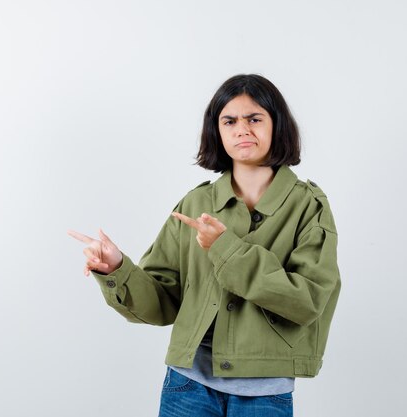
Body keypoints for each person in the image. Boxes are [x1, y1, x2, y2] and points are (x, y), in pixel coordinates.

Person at [67, 74, 341, 417]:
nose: (242, 129)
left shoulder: (308, 206)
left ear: (278, 125)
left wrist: (226, 248)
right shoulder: (195, 203)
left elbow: (308, 300)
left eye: (254, 119)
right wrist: (118, 269)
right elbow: (164, 303)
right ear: (217, 130)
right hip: (187, 384)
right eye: (229, 121)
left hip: (264, 391)